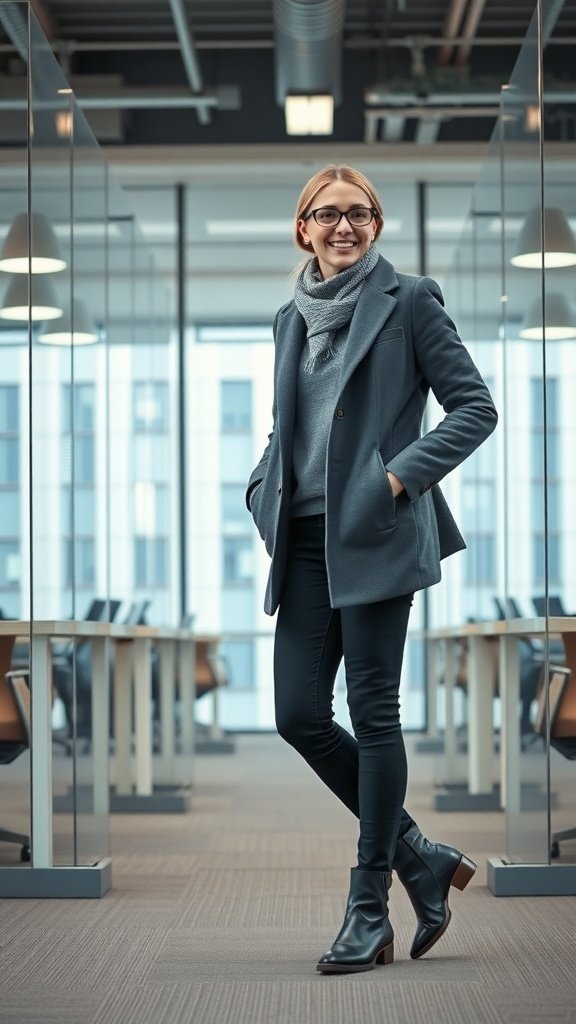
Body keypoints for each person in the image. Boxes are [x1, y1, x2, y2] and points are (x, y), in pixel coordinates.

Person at [245, 165, 497, 974]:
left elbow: (475, 408)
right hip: (309, 542)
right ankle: (419, 856)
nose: (343, 226)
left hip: (380, 535)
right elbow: (290, 427)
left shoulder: (411, 300)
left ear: (376, 225)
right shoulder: (290, 315)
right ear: (304, 229)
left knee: (375, 713)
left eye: (359, 214)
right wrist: (260, 486)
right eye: (328, 215)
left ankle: (368, 907)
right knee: (296, 715)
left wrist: (396, 478)